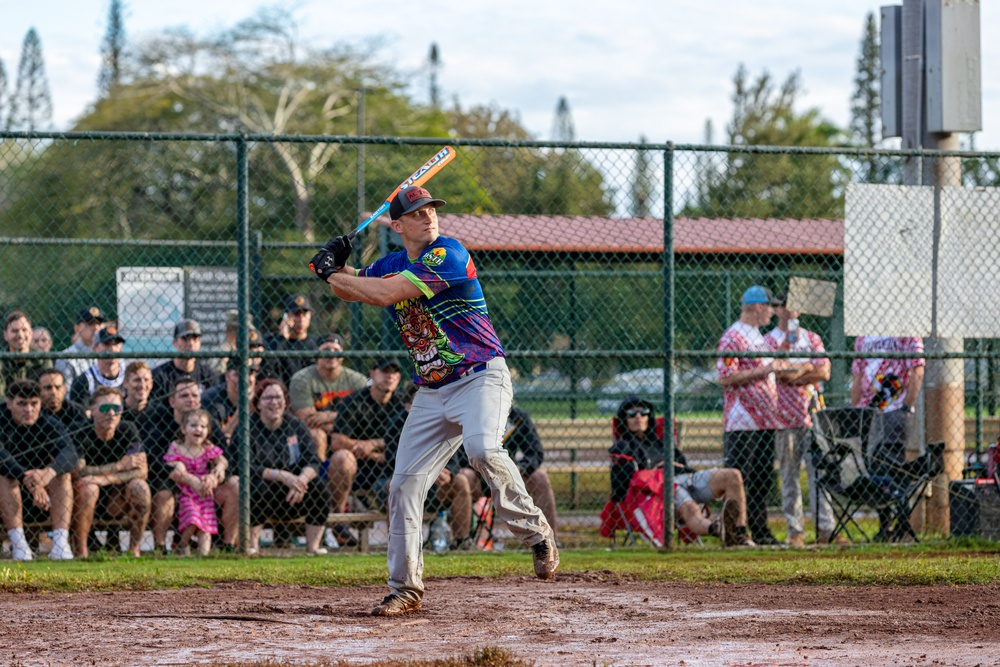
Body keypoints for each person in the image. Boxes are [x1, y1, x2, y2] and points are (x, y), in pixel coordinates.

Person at [309, 185, 557, 616]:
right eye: (417, 213)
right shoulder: (389, 262)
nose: (428, 217)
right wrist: (338, 265)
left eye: (431, 211)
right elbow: (350, 291)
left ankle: (536, 532)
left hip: (481, 377)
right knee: (403, 485)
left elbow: (384, 294)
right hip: (432, 389)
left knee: (482, 448)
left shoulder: (449, 254)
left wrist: (330, 272)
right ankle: (405, 589)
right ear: (397, 224)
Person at [608, 396, 755, 546]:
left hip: (686, 478)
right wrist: (654, 472)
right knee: (690, 508)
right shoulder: (623, 448)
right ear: (624, 420)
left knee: (733, 475)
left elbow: (683, 465)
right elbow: (622, 487)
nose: (638, 417)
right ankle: (717, 529)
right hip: (661, 488)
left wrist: (670, 464)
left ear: (648, 417)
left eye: (643, 412)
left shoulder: (662, 443)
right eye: (631, 414)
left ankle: (740, 534)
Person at [716, 285, 788, 546]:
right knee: (740, 477)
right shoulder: (733, 338)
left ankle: (760, 530)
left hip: (765, 420)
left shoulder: (758, 336)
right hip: (742, 421)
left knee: (762, 478)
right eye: (770, 306)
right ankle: (735, 531)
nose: (772, 312)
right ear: (758, 307)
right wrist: (764, 370)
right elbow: (726, 377)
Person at [764, 296, 839, 547]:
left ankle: (826, 528)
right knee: (789, 475)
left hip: (813, 416)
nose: (791, 309)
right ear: (776, 310)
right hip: (783, 418)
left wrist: (799, 371)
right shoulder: (770, 340)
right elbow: (776, 371)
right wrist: (804, 366)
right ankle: (795, 530)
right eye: (785, 305)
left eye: (795, 303)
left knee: (820, 473)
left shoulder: (812, 338)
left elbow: (824, 371)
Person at [137, 376, 238, 553]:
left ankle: (228, 545)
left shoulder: (207, 423)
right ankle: (161, 547)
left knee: (235, 485)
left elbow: (227, 456)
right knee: (163, 493)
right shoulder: (161, 424)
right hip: (174, 484)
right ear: (172, 401)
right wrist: (185, 477)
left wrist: (216, 473)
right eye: (184, 396)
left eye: (195, 395)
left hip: (206, 486)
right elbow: (152, 461)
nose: (191, 400)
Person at [230, 378, 330, 555]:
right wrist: (281, 476)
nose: (274, 403)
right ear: (258, 404)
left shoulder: (296, 425)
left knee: (320, 489)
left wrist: (301, 480)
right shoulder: (246, 427)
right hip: (264, 493)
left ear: (285, 402)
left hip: (295, 494)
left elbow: (313, 460)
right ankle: (252, 547)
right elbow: (243, 466)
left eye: (279, 397)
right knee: (254, 488)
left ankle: (313, 548)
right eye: (268, 398)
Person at [850, 335, 926, 540]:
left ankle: (900, 523)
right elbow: (858, 375)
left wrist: (906, 406)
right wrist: (855, 410)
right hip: (867, 412)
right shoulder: (863, 336)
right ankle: (885, 525)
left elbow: (917, 368)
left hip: (894, 409)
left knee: (893, 466)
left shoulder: (906, 332)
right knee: (874, 468)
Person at [326, 357, 406, 548]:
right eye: (384, 371)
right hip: (357, 467)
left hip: (388, 467)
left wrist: (373, 444)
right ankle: (339, 521)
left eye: (394, 372)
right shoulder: (354, 401)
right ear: (372, 374)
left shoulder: (402, 404)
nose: (389, 376)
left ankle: (398, 546)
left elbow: (406, 442)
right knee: (342, 458)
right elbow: (337, 441)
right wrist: (372, 452)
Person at [385, 384, 473, 550]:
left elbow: (456, 458)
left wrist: (449, 473)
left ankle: (462, 542)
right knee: (393, 486)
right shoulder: (396, 425)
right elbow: (391, 460)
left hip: (439, 485)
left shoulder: (446, 420)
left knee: (461, 480)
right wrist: (425, 469)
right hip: (408, 480)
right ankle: (400, 545)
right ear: (408, 406)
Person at [456, 404, 558, 544]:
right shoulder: (471, 415)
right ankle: (462, 542)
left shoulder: (517, 417)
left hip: (510, 475)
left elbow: (535, 452)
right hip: (478, 474)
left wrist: (521, 467)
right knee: (464, 476)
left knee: (540, 477)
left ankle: (549, 540)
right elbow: (459, 456)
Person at [0, 379, 77, 560]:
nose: (29, 410)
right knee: (3, 476)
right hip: (8, 494)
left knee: (62, 475)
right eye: (22, 404)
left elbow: (69, 453)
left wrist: (48, 473)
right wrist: (29, 479)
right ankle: (20, 546)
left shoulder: (48, 422)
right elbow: (1, 457)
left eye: (34, 404)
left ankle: (60, 545)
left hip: (44, 497)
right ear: (9, 403)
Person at [71, 387, 150, 558]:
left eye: (117, 408)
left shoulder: (128, 429)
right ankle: (81, 552)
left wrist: (105, 478)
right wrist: (120, 466)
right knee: (89, 488)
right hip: (85, 496)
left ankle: (134, 550)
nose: (111, 413)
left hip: (116, 497)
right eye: (105, 408)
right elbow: (79, 471)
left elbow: (142, 471)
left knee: (140, 487)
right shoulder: (80, 431)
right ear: (92, 410)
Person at [289, 332, 368, 461]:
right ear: (316, 354)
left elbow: (362, 419)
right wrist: (344, 424)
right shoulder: (302, 379)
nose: (331, 354)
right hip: (316, 435)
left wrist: (328, 416)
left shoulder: (357, 380)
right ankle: (318, 474)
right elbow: (308, 421)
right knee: (317, 435)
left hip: (348, 436)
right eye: (326, 350)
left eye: (336, 350)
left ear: (342, 355)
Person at [164, 409, 227, 556]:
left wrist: (218, 469)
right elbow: (168, 463)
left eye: (203, 426)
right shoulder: (177, 447)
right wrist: (177, 465)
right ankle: (182, 546)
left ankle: (204, 555)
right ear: (183, 429)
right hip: (186, 493)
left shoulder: (207, 447)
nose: (198, 429)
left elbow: (222, 460)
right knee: (192, 519)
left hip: (204, 493)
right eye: (193, 426)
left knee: (205, 527)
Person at [260, 294, 321, 386]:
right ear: (286, 316)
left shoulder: (316, 342)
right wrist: (282, 337)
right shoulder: (273, 342)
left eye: (304, 314)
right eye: (296, 314)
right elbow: (267, 371)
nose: (301, 319)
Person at [150, 320, 217, 404]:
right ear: (175, 343)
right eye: (185, 338)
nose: (191, 343)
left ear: (200, 343)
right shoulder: (160, 376)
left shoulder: (208, 375)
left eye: (195, 339)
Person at [0, 311, 52, 400]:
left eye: (24, 330)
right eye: (14, 331)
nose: (20, 335)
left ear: (31, 333)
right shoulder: (1, 360)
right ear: (6, 335)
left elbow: (47, 391)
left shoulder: (43, 359)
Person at [69, 325, 126, 403]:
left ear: (121, 347)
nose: (112, 348)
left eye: (116, 343)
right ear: (95, 348)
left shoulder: (128, 377)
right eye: (106, 344)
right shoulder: (84, 381)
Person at [203, 363, 258, 442]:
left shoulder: (262, 397)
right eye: (238, 374)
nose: (244, 378)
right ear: (227, 377)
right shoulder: (211, 399)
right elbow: (218, 442)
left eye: (249, 373)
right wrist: (243, 409)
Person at [55, 307, 106, 388]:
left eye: (99, 324)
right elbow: (67, 394)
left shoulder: (107, 353)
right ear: (77, 328)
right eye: (90, 323)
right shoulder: (66, 357)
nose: (96, 328)